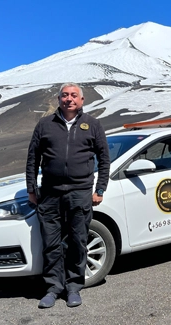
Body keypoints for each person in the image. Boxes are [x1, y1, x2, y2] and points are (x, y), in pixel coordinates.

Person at [26, 83, 110, 308]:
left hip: (80, 193)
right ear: (59, 99)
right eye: (65, 95)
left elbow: (104, 158)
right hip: (50, 194)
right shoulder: (45, 125)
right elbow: (33, 158)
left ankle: (74, 287)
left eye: (74, 95)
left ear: (82, 100)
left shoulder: (93, 125)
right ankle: (53, 288)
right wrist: (31, 189)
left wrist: (100, 189)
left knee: (78, 242)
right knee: (51, 243)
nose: (69, 99)